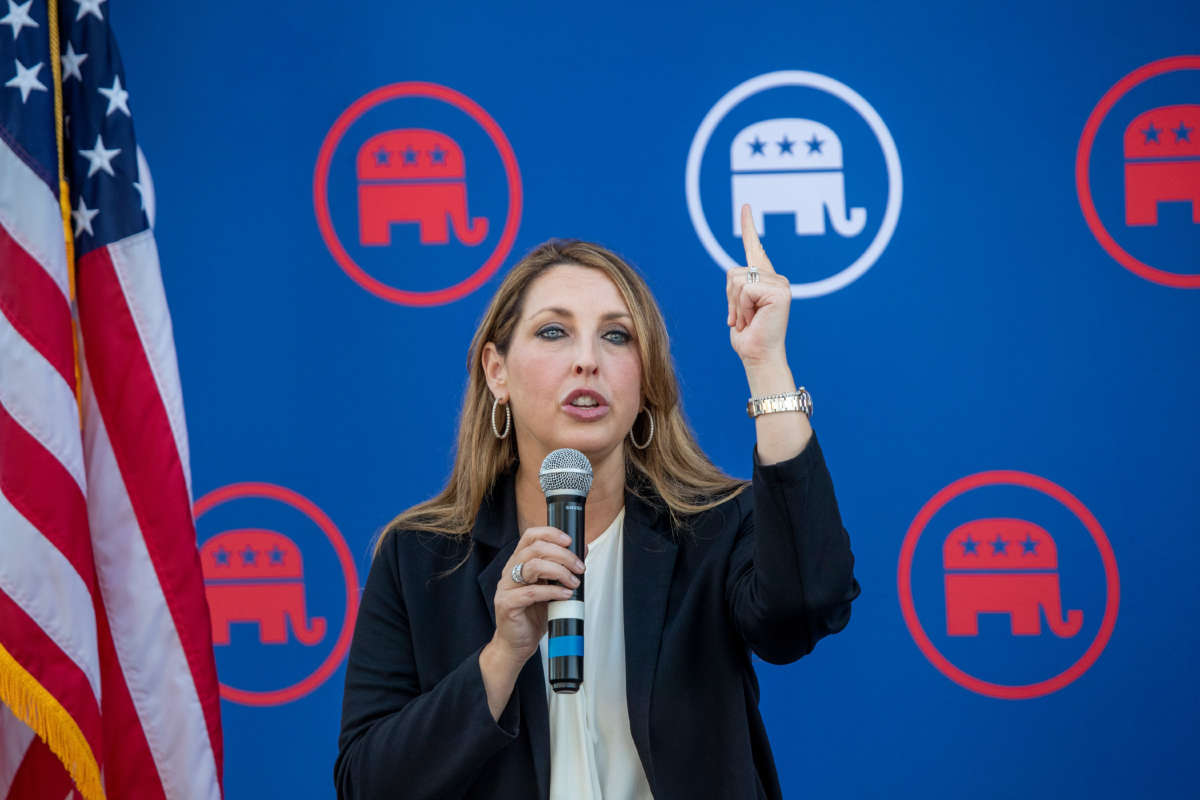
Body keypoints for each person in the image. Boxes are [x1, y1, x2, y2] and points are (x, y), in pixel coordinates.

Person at [334, 205, 860, 800]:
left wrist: (766, 365)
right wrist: (503, 655)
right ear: (496, 370)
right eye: (554, 332)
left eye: (617, 335)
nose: (588, 359)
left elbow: (811, 604)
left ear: (646, 381)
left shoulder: (713, 530)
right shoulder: (420, 558)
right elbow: (367, 785)